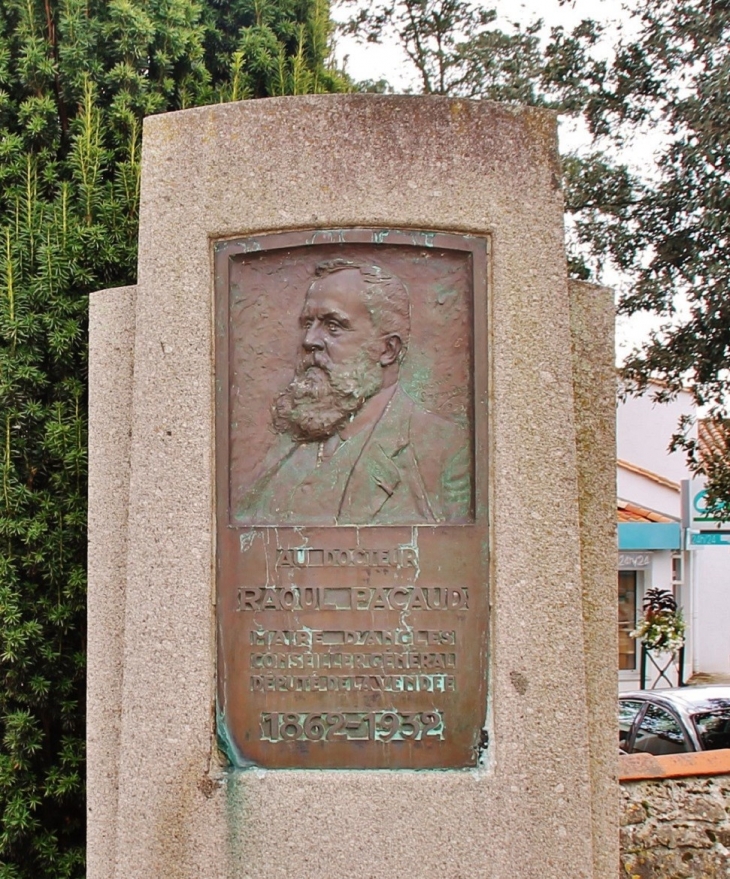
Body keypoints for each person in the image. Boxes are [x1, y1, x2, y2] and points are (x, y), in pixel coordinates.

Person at [237, 258, 471, 525]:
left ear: (387, 350)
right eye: (307, 324)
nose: (309, 340)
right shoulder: (282, 451)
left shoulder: (446, 450)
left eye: (333, 326)